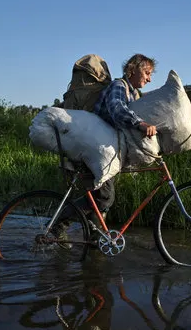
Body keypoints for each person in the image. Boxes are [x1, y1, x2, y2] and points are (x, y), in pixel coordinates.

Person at [55, 54, 157, 234]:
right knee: (104, 197)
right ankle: (58, 226)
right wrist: (140, 124)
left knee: (100, 199)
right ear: (132, 70)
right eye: (147, 73)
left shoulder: (133, 93)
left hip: (107, 149)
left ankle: (96, 241)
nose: (149, 78)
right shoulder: (119, 86)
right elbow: (117, 109)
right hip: (96, 148)